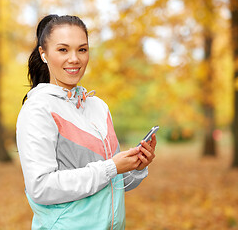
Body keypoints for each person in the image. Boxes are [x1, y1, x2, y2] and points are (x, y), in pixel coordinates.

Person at [16, 14, 157, 230]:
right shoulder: (38, 109)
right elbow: (41, 187)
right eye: (63, 50)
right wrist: (110, 167)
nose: (75, 59)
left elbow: (113, 182)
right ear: (43, 54)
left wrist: (136, 166)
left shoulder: (98, 107)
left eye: (82, 49)